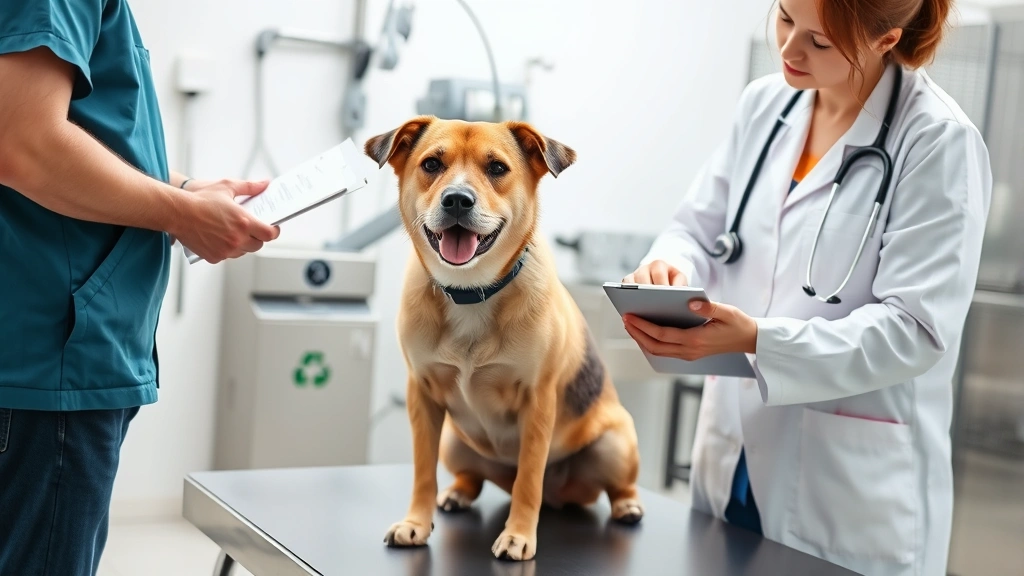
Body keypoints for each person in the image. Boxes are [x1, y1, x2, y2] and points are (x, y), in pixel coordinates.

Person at [622, 0, 991, 574]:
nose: (790, 49)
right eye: (786, 18)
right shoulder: (765, 104)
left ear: (886, 39)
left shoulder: (937, 141)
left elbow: (913, 331)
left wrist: (757, 340)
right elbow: (697, 228)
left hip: (842, 486)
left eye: (820, 42)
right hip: (732, 454)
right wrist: (670, 267)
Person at [0, 1, 280, 574]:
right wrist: (181, 214)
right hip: (52, 359)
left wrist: (186, 190)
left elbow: (84, 131)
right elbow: (23, 142)